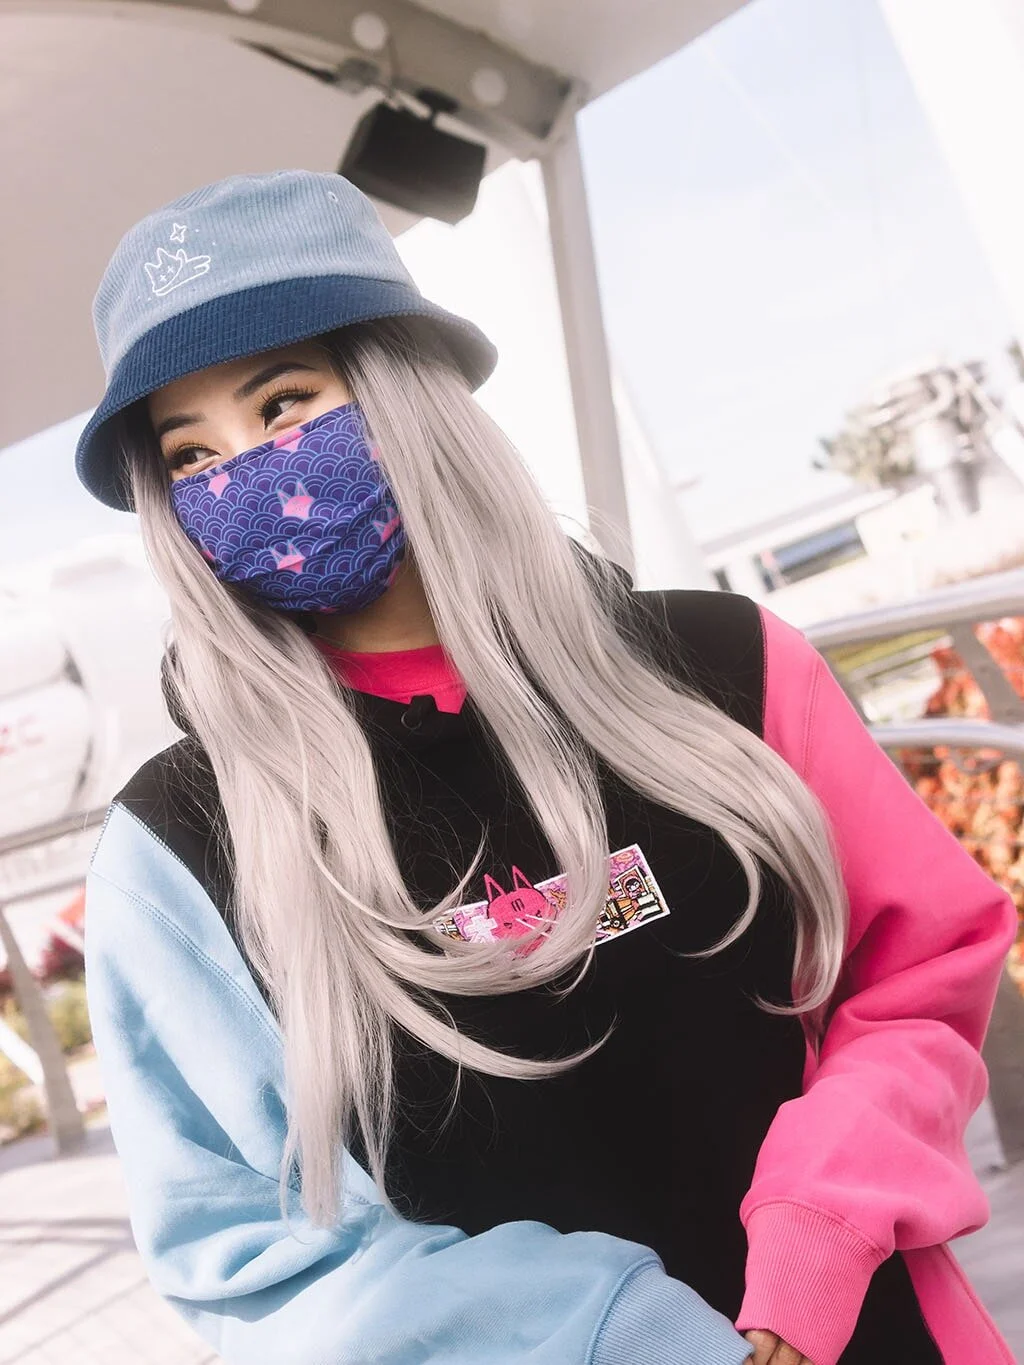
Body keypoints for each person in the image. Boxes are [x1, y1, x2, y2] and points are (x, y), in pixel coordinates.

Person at [76, 169, 1018, 1365]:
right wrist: (617, 1337)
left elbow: (915, 976)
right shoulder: (176, 849)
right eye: (190, 452)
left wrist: (819, 1229)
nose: (245, 472)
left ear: (403, 384)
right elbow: (242, 1251)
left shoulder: (726, 665)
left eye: (283, 401)